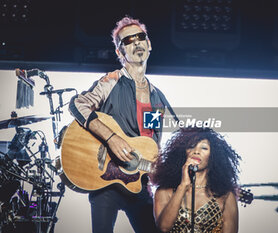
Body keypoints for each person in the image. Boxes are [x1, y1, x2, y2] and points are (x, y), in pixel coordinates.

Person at [69, 16, 173, 233]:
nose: (136, 43)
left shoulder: (157, 98)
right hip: (106, 182)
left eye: (140, 37)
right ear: (119, 52)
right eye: (128, 40)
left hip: (138, 186)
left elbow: (149, 142)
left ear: (149, 44)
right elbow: (77, 105)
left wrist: (162, 171)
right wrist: (111, 138)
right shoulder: (112, 81)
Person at [151, 127, 241, 233]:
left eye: (204, 148)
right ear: (183, 153)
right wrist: (183, 185)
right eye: (191, 146)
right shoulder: (164, 192)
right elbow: (164, 228)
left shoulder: (226, 196)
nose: (196, 152)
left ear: (213, 156)